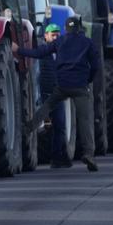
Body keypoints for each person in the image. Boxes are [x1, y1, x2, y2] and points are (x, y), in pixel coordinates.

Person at [13, 16, 101, 172]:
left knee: (47, 106)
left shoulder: (60, 42)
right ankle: (89, 154)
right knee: (85, 120)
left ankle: (27, 128)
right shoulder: (87, 42)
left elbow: (39, 53)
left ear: (66, 28)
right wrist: (88, 80)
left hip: (62, 85)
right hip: (80, 87)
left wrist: (18, 50)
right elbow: (96, 66)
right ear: (79, 28)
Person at [37, 23, 72, 168]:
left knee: (60, 125)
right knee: (45, 126)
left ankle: (58, 157)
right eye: (53, 35)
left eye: (58, 35)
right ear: (46, 36)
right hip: (45, 94)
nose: (56, 37)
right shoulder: (41, 52)